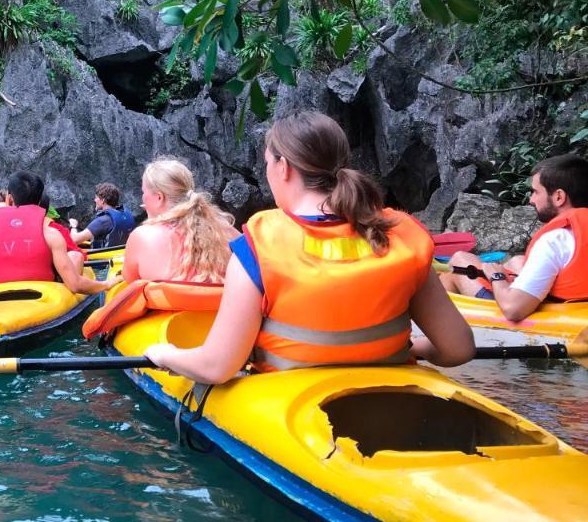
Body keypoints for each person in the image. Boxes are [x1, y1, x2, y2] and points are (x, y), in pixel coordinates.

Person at [143, 112, 475, 383]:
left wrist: (163, 353)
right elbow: (458, 348)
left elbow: (216, 367)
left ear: (283, 166)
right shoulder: (401, 235)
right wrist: (417, 348)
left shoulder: (259, 245)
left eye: (267, 163)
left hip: (291, 405)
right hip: (391, 389)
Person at [439, 154, 588, 321]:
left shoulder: (556, 239)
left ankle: (447, 332)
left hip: (554, 316)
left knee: (460, 261)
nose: (531, 200)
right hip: (577, 304)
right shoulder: (578, 231)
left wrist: (497, 276)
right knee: (516, 261)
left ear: (559, 197)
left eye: (535, 192)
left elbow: (513, 310)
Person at [0, 171, 118, 294]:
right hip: (43, 292)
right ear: (39, 200)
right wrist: (106, 284)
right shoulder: (52, 235)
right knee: (73, 257)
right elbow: (75, 285)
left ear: (9, 199)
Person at [122, 159, 238, 283]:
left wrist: (152, 222)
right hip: (223, 302)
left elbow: (130, 280)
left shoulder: (142, 236)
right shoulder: (226, 230)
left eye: (143, 192)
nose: (143, 198)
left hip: (170, 303)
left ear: (159, 197)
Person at [70, 182, 136, 249]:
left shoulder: (103, 221)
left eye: (96, 197)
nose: (94, 200)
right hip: (122, 254)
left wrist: (73, 226)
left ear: (103, 200)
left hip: (103, 258)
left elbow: (74, 240)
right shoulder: (128, 215)